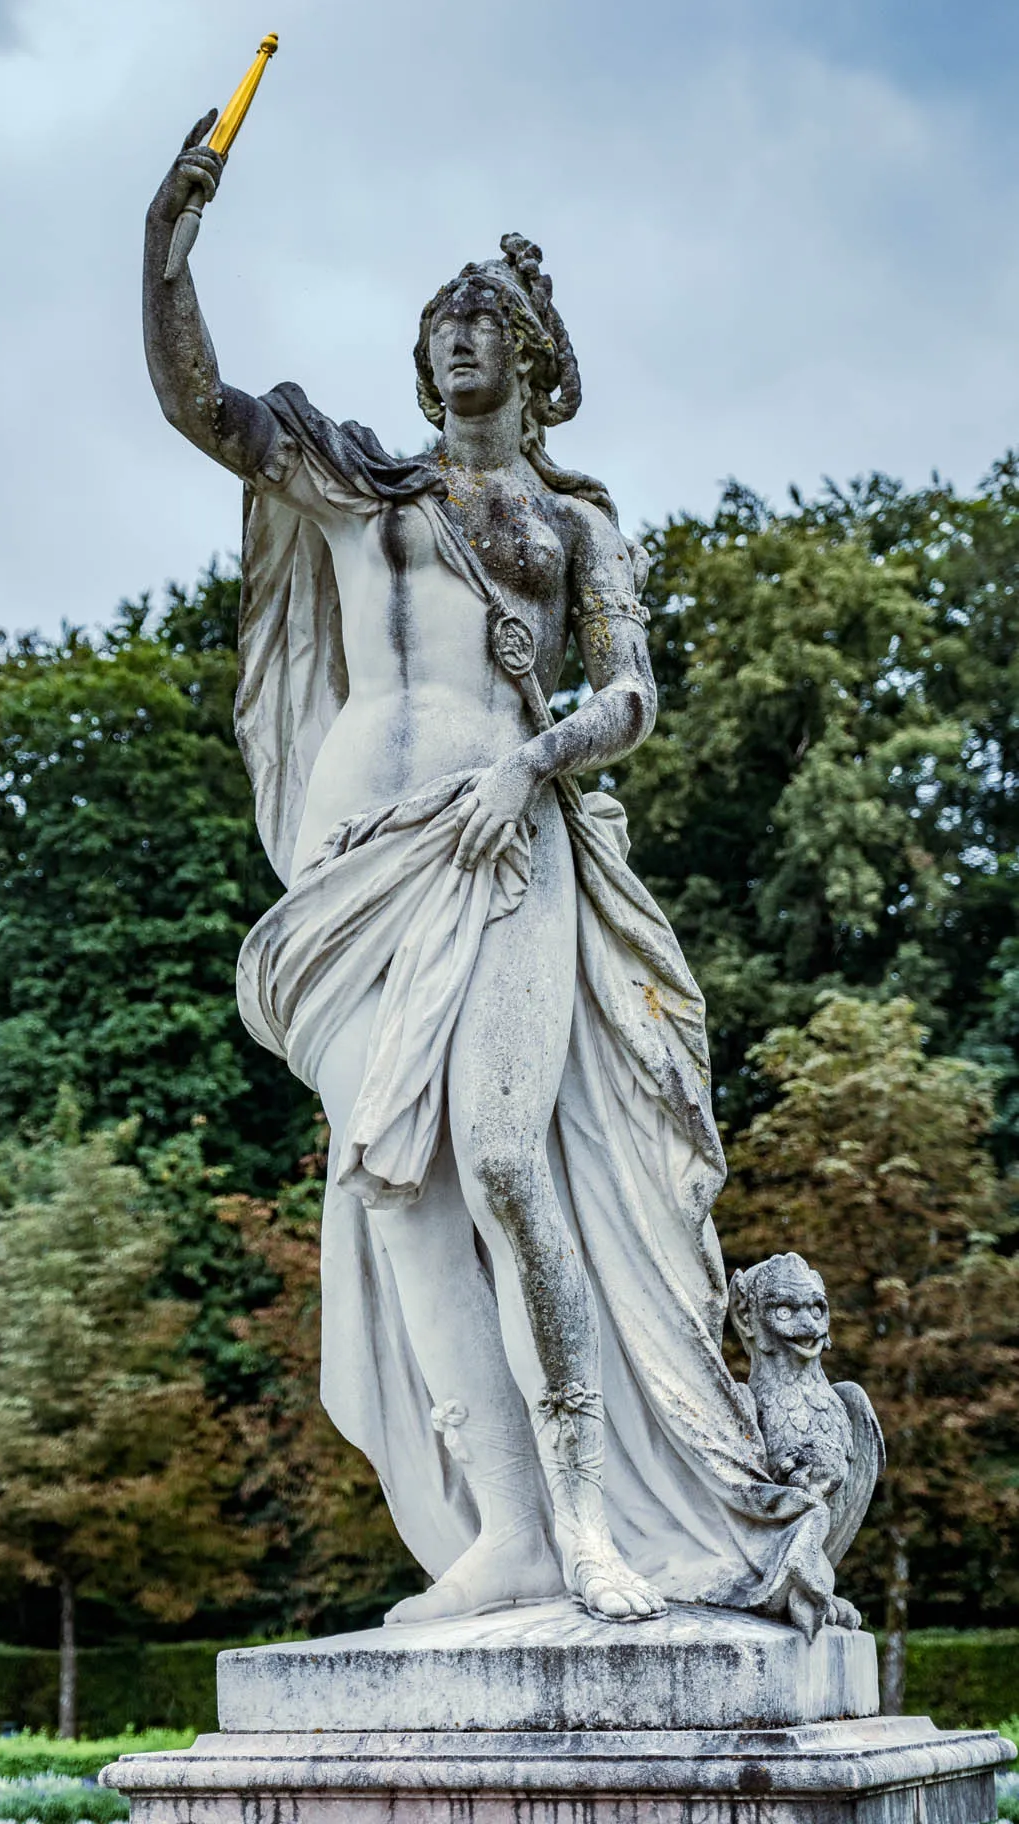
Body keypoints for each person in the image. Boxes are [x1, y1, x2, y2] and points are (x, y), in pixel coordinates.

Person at [143, 115, 839, 1634]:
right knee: (398, 1190)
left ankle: (590, 1513)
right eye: (441, 323)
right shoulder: (361, 488)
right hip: (350, 876)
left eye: (484, 321)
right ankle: (513, 1533)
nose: (461, 337)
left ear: (528, 355)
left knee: (507, 1159)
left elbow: (631, 696)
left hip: (502, 840)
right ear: (423, 360)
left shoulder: (572, 522)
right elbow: (202, 403)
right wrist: (166, 252)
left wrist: (528, 767)